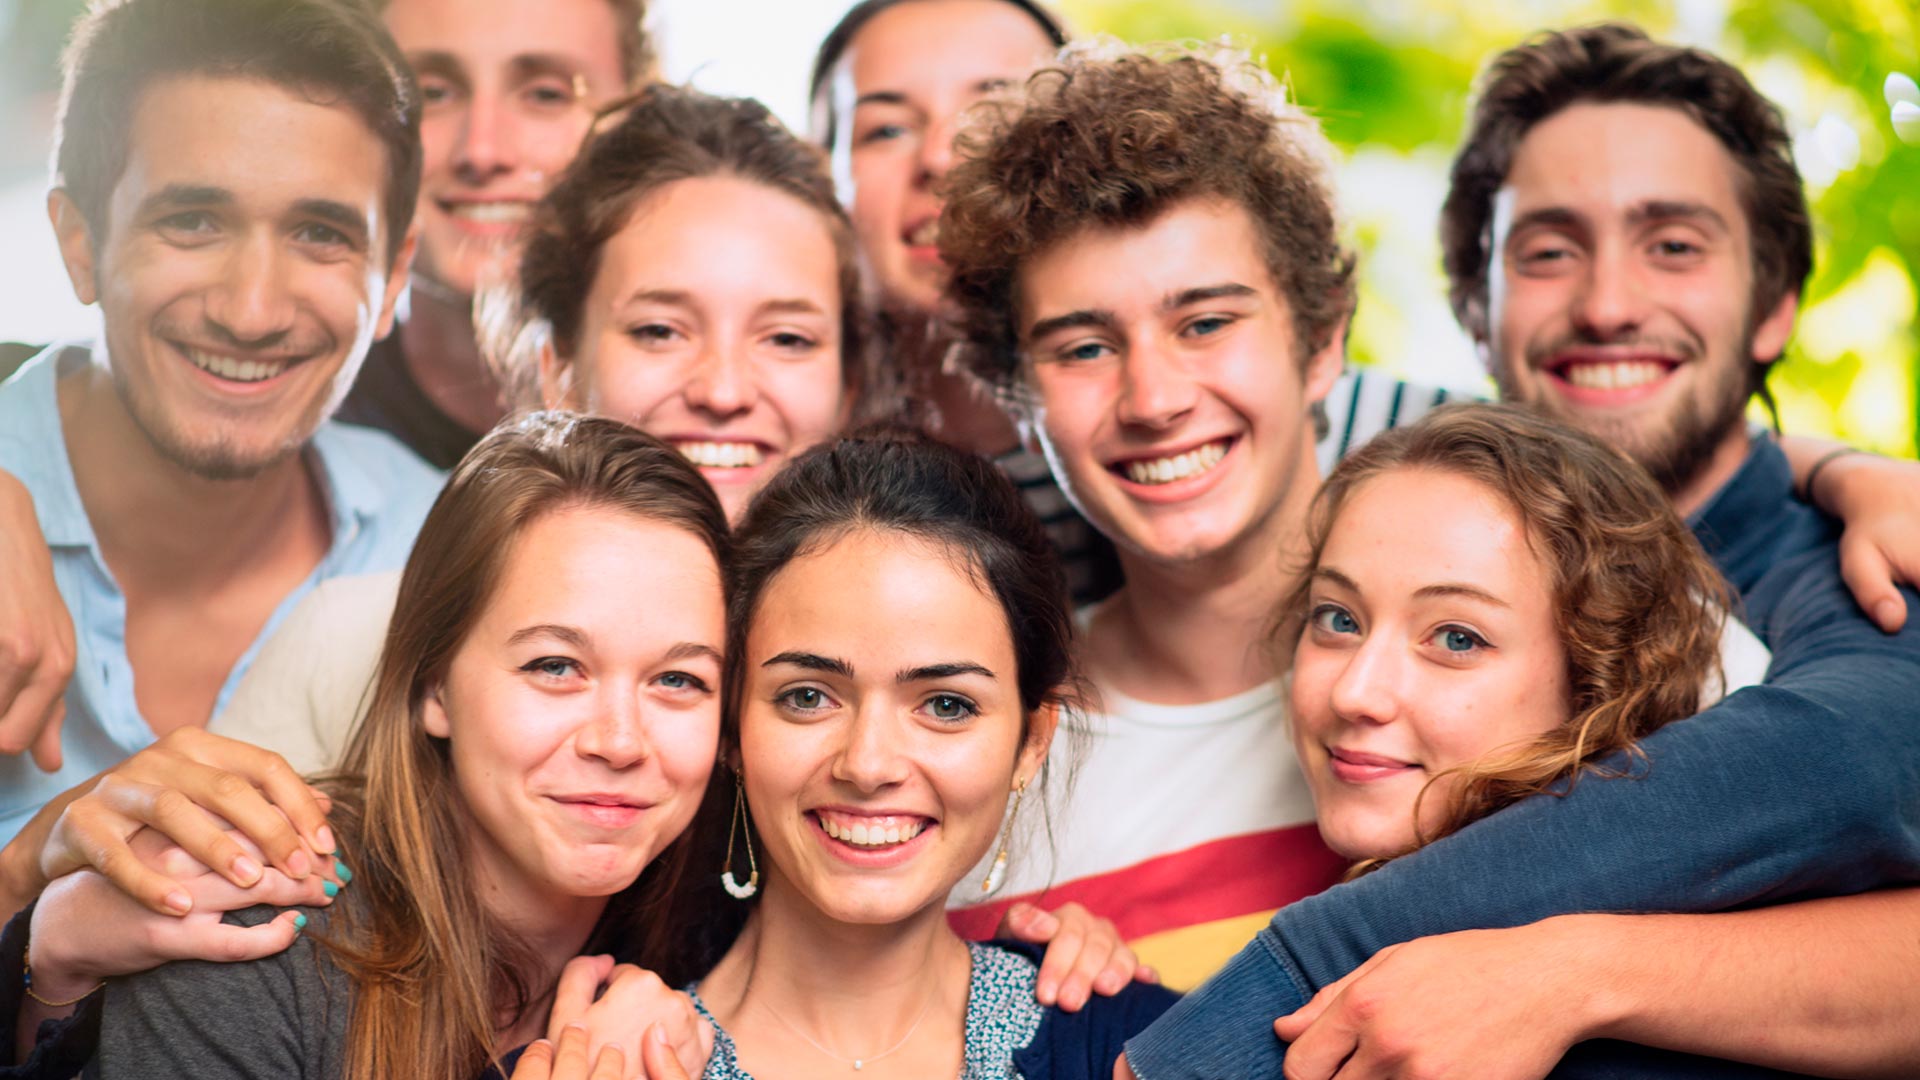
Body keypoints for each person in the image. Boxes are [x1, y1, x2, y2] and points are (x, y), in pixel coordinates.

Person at [1112, 26, 1920, 1078]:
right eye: (1546, 250)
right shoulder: (1391, 470)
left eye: (1674, 244)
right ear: (1472, 310)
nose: (1608, 303)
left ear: (1775, 306)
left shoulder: (1863, 564)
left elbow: (1849, 761)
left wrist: (1268, 1005)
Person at [32, 411, 733, 1080]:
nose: (619, 741)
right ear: (434, 688)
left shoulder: (720, 938)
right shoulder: (260, 920)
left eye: (678, 679)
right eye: (554, 667)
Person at [210, 83, 864, 774]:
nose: (724, 391)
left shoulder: (938, 661)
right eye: (659, 330)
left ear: (849, 387)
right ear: (558, 372)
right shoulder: (351, 640)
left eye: (788, 339)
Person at [541, 429, 1179, 1079]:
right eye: (808, 696)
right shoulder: (584, 1064)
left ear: (1030, 743)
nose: (868, 765)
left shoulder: (1142, 1047)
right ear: (730, 727)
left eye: (946, 705)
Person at [0, 0, 442, 854]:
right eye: (192, 221)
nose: (251, 312)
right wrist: (25, 879)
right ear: (79, 240)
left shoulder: (444, 549)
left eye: (320, 234)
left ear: (394, 278)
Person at [337, 0, 647, 469]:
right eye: (432, 93)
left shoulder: (718, 427)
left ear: (638, 122)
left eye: (546, 94)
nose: (481, 150)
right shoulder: (302, 438)